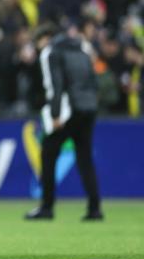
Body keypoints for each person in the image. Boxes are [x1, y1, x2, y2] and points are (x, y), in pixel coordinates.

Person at [26, 24, 103, 220]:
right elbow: (94, 80)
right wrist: (92, 104)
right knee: (85, 158)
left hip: (67, 111)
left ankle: (46, 207)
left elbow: (54, 85)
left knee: (48, 154)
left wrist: (55, 114)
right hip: (89, 108)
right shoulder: (82, 47)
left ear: (45, 38)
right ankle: (95, 208)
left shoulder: (50, 52)